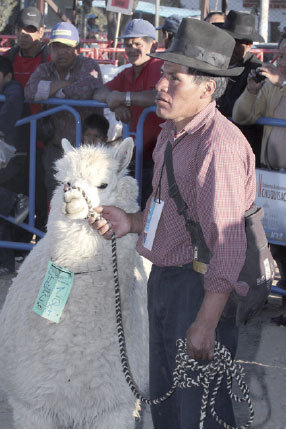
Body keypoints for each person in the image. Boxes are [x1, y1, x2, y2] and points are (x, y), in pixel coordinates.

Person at [90, 18, 256, 428]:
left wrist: (205, 322)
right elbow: (167, 208)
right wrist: (131, 221)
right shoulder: (170, 133)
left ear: (207, 88)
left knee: (201, 415)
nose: (161, 86)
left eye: (174, 78)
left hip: (200, 291)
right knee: (166, 409)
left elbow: (229, 245)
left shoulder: (220, 147)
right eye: (163, 74)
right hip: (165, 281)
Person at [232, 32, 286, 310]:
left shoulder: (281, 82)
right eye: (281, 54)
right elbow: (242, 116)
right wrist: (252, 91)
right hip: (275, 180)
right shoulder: (273, 85)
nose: (282, 61)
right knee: (275, 245)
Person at [25, 21, 103, 202]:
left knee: (85, 201)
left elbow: (84, 89)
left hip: (86, 150)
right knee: (55, 199)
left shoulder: (89, 65)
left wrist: (51, 91)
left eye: (67, 47)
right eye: (57, 47)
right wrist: (65, 87)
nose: (61, 52)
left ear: (77, 48)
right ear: (50, 49)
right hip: (56, 148)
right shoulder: (45, 68)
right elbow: (29, 91)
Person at [93, 19, 164, 208]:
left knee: (150, 212)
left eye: (137, 44)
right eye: (127, 44)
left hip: (159, 157)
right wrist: (116, 104)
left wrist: (123, 98)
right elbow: (100, 92)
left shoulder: (159, 66)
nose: (131, 49)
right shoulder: (128, 72)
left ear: (153, 45)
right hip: (136, 156)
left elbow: (158, 96)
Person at [5, 6, 50, 232]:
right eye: (21, 27)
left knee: (43, 197)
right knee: (17, 196)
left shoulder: (51, 57)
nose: (25, 33)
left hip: (44, 140)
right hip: (15, 143)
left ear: (41, 32)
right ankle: (16, 251)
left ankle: (39, 251)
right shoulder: (7, 59)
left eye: (31, 29)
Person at [217, 10, 264, 166]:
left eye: (236, 42)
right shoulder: (217, 65)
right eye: (228, 39)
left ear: (249, 45)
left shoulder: (257, 71)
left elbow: (233, 109)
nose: (230, 46)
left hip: (241, 149)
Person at [0, 56, 27, 275]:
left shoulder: (13, 88)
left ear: (7, 75)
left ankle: (4, 262)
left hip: (13, 161)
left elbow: (13, 104)